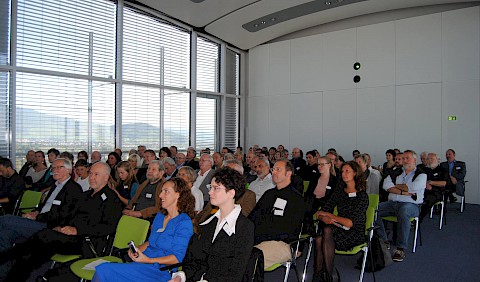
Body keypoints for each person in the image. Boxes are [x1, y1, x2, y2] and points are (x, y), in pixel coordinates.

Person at [1, 162, 122, 281]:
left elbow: (108, 227)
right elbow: (71, 215)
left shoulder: (111, 200)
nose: (92, 177)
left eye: (96, 174)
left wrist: (77, 230)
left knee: (42, 240)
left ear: (106, 177)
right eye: (90, 174)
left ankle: (10, 258)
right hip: (70, 236)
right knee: (37, 249)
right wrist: (62, 226)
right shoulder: (86, 195)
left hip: (87, 241)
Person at [93, 177, 195, 282]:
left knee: (104, 269)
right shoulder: (160, 216)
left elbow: (177, 258)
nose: (160, 195)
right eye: (161, 191)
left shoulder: (183, 223)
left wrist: (148, 260)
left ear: (178, 195)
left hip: (160, 269)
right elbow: (150, 242)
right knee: (105, 270)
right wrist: (137, 250)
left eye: (166, 192)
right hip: (145, 262)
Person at [170, 168, 254, 282]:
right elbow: (197, 260)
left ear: (231, 193)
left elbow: (235, 273)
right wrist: (181, 276)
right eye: (211, 187)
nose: (210, 192)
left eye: (216, 188)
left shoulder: (244, 227)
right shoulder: (210, 221)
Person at [313, 161, 369, 282]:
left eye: (347, 171)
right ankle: (322, 275)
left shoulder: (362, 196)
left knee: (325, 232)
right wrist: (325, 218)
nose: (343, 174)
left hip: (354, 233)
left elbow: (350, 223)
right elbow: (320, 213)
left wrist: (329, 215)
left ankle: (326, 276)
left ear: (355, 173)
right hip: (338, 228)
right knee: (320, 237)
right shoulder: (339, 192)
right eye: (342, 171)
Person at [248, 158, 307, 269]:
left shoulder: (296, 199)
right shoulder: (269, 194)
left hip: (281, 243)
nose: (273, 172)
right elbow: (253, 217)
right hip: (259, 239)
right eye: (273, 169)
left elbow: (292, 228)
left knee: (250, 258)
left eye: (278, 169)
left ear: (288, 173)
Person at [375, 150, 426, 262]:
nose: (405, 160)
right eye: (403, 158)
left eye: (407, 158)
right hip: (393, 203)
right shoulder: (396, 171)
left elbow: (412, 188)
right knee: (374, 210)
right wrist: (403, 191)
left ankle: (400, 248)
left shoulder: (421, 174)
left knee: (404, 211)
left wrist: (396, 187)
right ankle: (384, 240)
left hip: (411, 205)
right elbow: (386, 186)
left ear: (415, 160)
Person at [420, 153, 447, 221]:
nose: (430, 160)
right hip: (424, 190)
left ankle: (418, 219)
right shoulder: (425, 170)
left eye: (432, 158)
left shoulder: (443, 170)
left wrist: (431, 183)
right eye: (428, 159)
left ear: (437, 160)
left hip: (436, 192)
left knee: (427, 201)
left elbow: (444, 183)